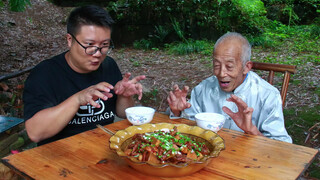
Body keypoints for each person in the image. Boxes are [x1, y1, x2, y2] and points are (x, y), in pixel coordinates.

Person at [23, 5, 146, 146]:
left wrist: (125, 95)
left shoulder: (108, 65)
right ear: (70, 40)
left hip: (102, 149)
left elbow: (122, 113)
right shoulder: (45, 73)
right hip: (60, 158)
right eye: (90, 45)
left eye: (104, 45)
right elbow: (35, 132)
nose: (98, 53)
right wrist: (78, 99)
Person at [167, 32, 292, 143]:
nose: (221, 74)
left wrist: (252, 130)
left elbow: (282, 148)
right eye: (216, 65)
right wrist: (177, 111)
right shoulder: (203, 89)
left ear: (246, 67)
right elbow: (189, 129)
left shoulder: (267, 95)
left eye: (229, 67)